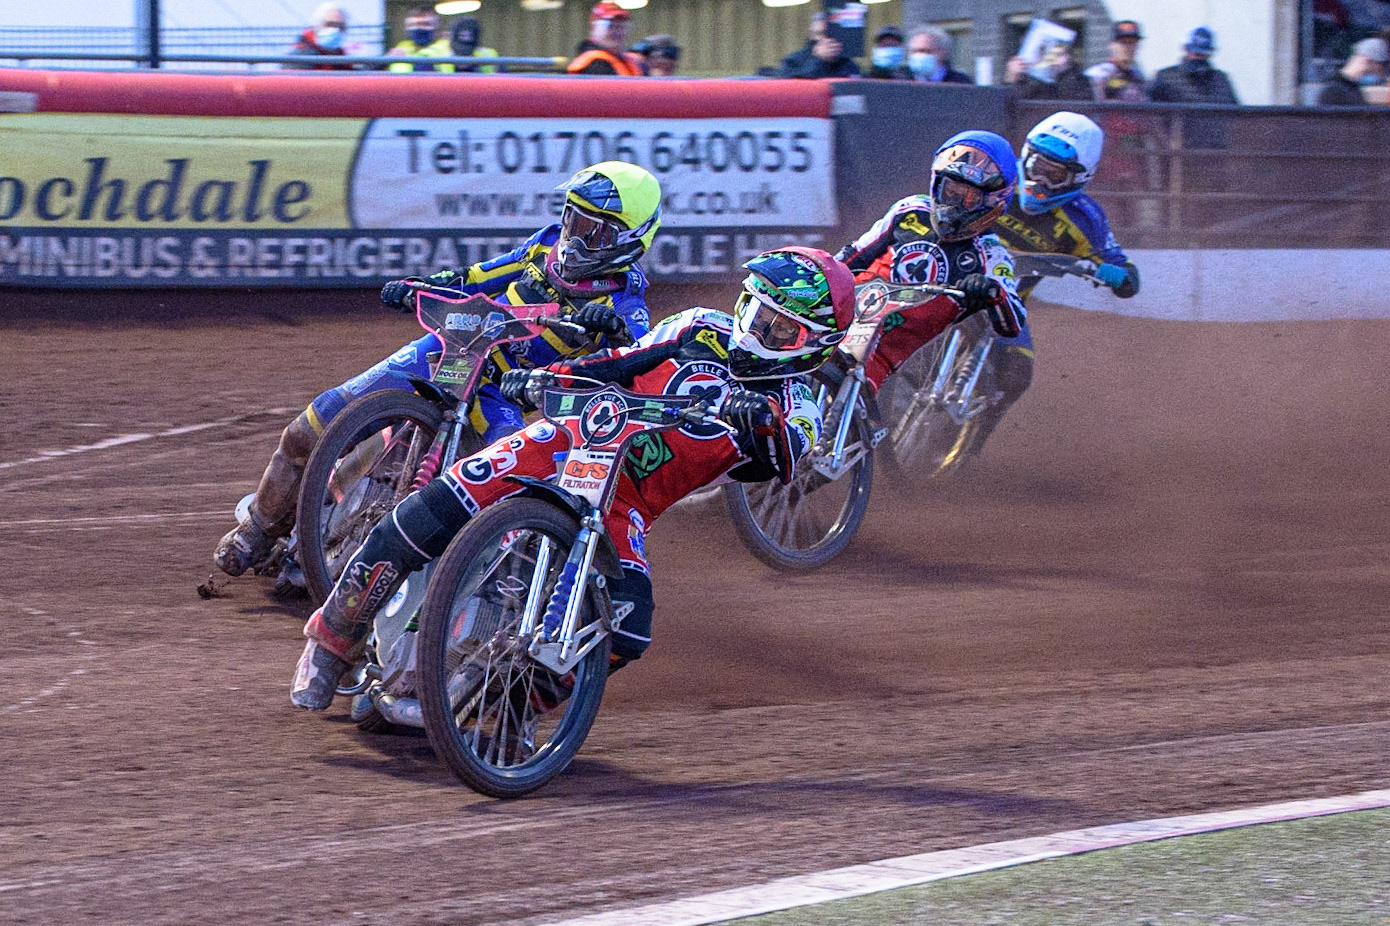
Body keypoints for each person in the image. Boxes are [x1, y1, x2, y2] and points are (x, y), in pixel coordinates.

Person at [289, 247, 856, 711]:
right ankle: (331, 641)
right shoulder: (700, 327)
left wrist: (760, 420)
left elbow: (781, 457)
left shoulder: (797, 405)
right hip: (568, 440)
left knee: (629, 631)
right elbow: (622, 361)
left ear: (813, 344)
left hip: (625, 506)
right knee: (435, 505)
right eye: (757, 312)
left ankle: (504, 711)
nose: (758, 330)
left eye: (780, 328)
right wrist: (547, 376)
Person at [213, 162, 663, 578]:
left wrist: (616, 333)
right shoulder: (544, 245)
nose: (574, 239)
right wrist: (420, 286)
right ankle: (257, 529)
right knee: (311, 426)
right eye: (573, 220)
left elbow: (637, 361)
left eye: (593, 231)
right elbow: (479, 276)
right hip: (452, 349)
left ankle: (458, 592)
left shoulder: (625, 303)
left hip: (501, 393)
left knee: (507, 497)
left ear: (630, 239)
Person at [834, 130, 1026, 396]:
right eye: (951, 192)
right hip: (853, 314)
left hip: (900, 351)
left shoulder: (991, 252)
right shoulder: (910, 210)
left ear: (993, 202)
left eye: (969, 198)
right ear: (937, 184)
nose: (954, 205)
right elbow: (856, 253)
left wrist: (992, 290)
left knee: (862, 398)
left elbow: (1014, 321)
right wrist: (823, 273)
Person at [988, 112, 1140, 444]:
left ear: (1077, 179)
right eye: (1037, 167)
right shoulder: (995, 175)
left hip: (1005, 308)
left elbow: (1128, 275)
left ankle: (969, 445)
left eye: (1054, 175)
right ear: (1026, 155)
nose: (1041, 181)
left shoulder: (1084, 220)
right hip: (945, 280)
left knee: (1018, 373)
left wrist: (1116, 274)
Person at [1149, 27, 1240, 104]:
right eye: (1195, 53)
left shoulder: (1220, 80)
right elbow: (1151, 112)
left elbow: (1234, 113)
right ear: (1186, 50)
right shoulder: (1166, 78)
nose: (1198, 58)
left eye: (1203, 54)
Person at [568, 2, 644, 76]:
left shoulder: (626, 61)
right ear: (594, 27)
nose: (617, 32)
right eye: (610, 26)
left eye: (621, 26)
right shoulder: (595, 65)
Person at [778, 12, 861, 79]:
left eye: (828, 33)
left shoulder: (848, 63)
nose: (825, 39)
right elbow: (789, 89)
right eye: (819, 34)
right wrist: (819, 60)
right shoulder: (793, 60)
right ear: (812, 35)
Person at [1004, 41, 1091, 101]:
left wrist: (1063, 72)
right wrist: (1012, 78)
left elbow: (1076, 103)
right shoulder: (1025, 80)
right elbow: (1008, 101)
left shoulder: (1077, 79)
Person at [1085, 20, 1148, 101]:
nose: (1128, 47)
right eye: (1123, 43)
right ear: (1112, 45)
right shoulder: (1098, 74)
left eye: (1132, 43)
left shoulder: (1138, 75)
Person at [1317, 36, 1389, 104]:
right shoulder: (1333, 91)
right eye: (1380, 65)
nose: (1381, 70)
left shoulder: (1352, 87)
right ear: (1368, 61)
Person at [285, 3, 352, 70]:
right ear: (317, 25)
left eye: (341, 27)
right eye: (330, 24)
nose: (336, 30)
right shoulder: (301, 55)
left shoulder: (341, 57)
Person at [387, 7, 454, 73]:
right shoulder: (402, 46)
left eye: (426, 24)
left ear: (437, 29)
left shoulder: (446, 47)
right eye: (414, 24)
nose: (419, 28)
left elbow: (424, 69)